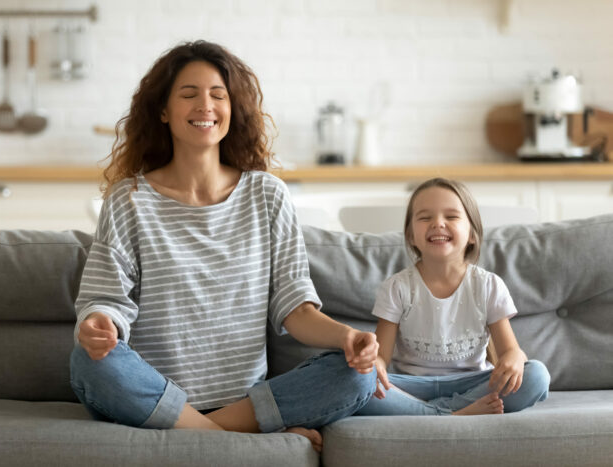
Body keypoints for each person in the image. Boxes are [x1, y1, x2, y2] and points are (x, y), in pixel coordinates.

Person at [69, 40, 377, 451]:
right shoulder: (129, 200)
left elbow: (295, 308)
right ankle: (236, 438)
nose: (205, 105)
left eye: (218, 95)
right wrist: (98, 322)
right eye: (189, 94)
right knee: (87, 364)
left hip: (242, 401)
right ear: (163, 110)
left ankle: (194, 429)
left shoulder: (267, 195)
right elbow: (105, 299)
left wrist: (348, 337)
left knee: (359, 373)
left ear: (234, 110)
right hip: (150, 390)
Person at [355, 178, 550, 416]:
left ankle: (430, 414)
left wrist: (516, 359)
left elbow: (510, 352)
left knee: (536, 375)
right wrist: (374, 366)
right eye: (425, 218)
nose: (438, 223)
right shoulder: (396, 287)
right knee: (356, 381)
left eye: (452, 216)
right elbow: (381, 359)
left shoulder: (488, 285)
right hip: (412, 386)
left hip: (473, 383)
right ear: (410, 236)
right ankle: (455, 413)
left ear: (472, 234)